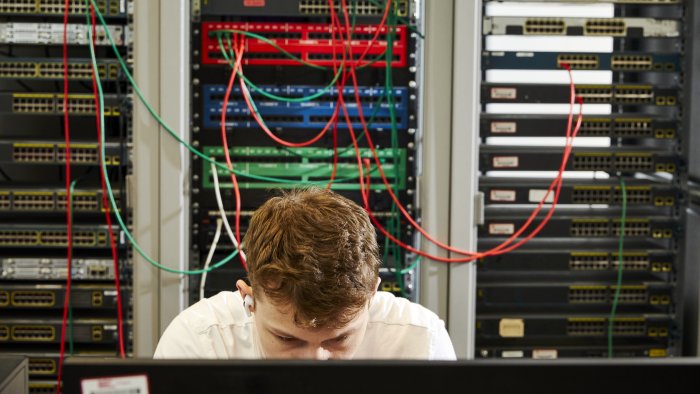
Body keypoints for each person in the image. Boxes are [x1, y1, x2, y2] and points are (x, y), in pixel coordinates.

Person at [154, 186, 456, 360]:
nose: (315, 360)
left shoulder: (420, 342)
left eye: (338, 340)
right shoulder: (198, 343)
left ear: (372, 295)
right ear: (248, 298)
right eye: (287, 339)